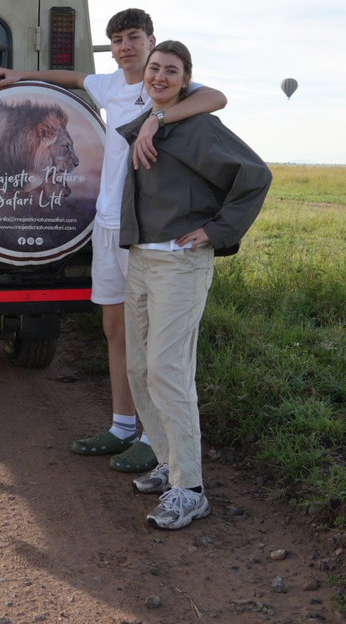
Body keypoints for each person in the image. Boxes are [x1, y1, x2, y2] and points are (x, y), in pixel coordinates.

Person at [0, 9, 227, 473]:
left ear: (151, 40)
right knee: (115, 331)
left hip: (143, 228)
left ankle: (155, 439)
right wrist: (22, 76)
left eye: (134, 38)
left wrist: (157, 117)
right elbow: (75, 78)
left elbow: (217, 98)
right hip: (106, 224)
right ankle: (122, 426)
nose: (125, 47)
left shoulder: (163, 85)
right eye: (117, 40)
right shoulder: (112, 85)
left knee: (149, 340)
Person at [118, 40, 271, 529]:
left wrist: (216, 231)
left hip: (180, 265)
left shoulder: (200, 127)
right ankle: (168, 462)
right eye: (154, 68)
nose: (160, 76)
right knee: (140, 367)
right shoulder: (151, 120)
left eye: (171, 70)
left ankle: (191, 489)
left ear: (187, 80)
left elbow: (256, 176)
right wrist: (153, 119)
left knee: (169, 370)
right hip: (142, 258)